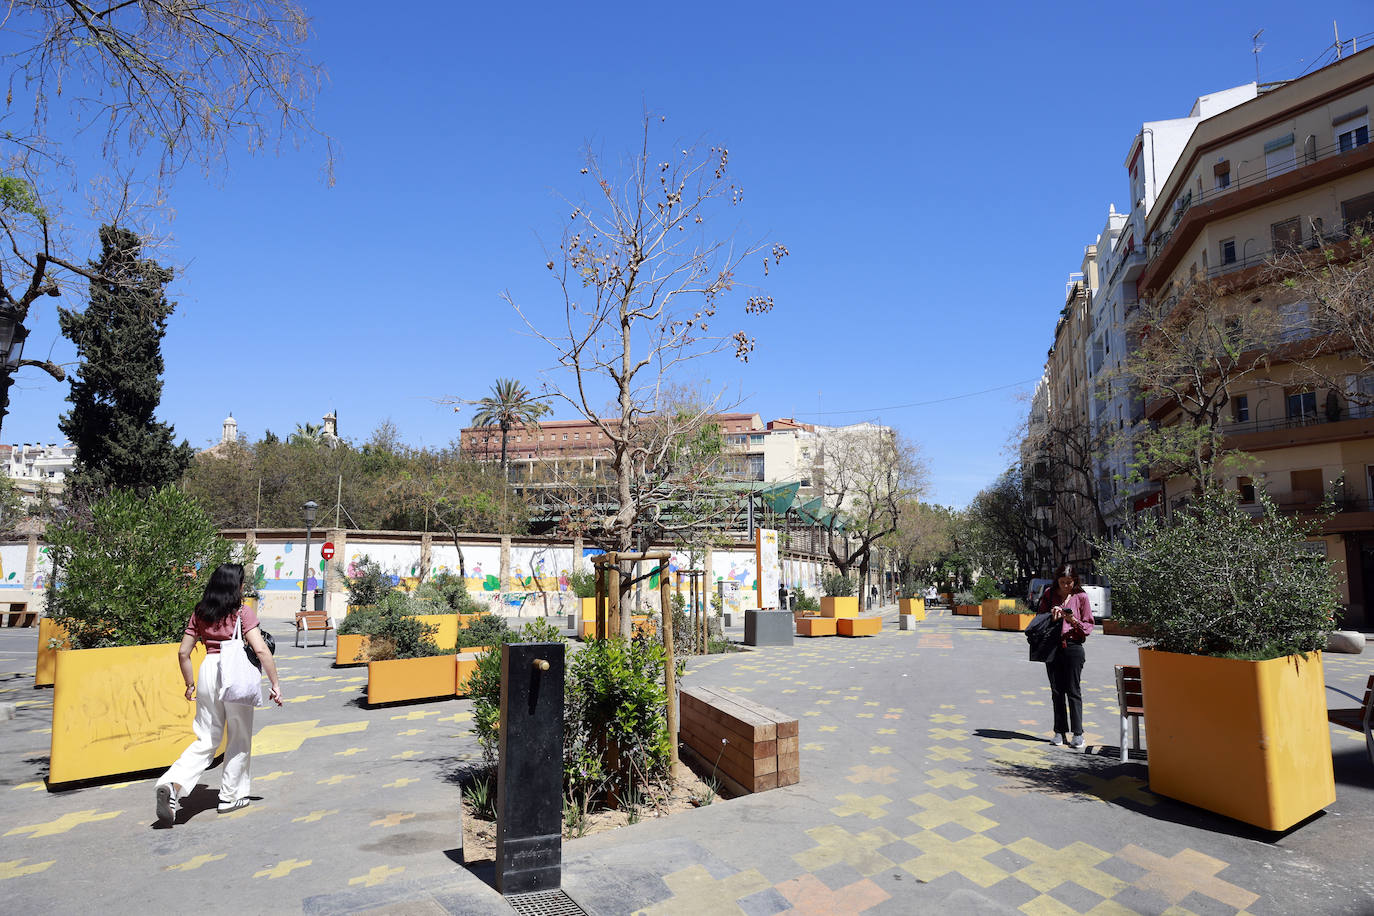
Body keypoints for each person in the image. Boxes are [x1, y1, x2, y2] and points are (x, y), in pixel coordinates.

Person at [156, 563, 283, 825]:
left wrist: (190, 683)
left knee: (206, 738)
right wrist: (275, 683)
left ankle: (172, 785)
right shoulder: (242, 613)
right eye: (242, 583)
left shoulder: (200, 612)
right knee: (238, 736)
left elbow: (183, 652)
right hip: (234, 672)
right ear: (235, 586)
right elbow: (260, 649)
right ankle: (230, 796)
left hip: (208, 670)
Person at [1037, 563, 1094, 748]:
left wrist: (1073, 620)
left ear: (1075, 580)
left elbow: (1088, 626)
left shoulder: (1081, 597)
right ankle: (1059, 732)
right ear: (1057, 581)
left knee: (1073, 690)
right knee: (1056, 691)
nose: (1066, 586)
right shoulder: (1049, 594)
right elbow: (1039, 620)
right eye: (1062, 582)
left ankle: (1078, 733)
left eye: (1069, 582)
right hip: (1052, 647)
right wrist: (1051, 617)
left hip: (1073, 646)